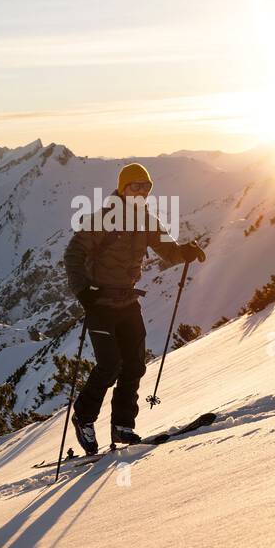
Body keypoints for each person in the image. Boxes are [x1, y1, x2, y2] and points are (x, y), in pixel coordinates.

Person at [62, 162, 206, 454]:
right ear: (123, 188)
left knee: (135, 365)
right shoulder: (104, 218)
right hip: (99, 302)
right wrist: (83, 291)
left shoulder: (148, 222)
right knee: (109, 365)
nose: (141, 192)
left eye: (146, 187)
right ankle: (84, 418)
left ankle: (122, 424)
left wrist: (185, 252)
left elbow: (169, 250)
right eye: (135, 186)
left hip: (127, 301)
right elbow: (73, 253)